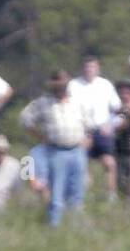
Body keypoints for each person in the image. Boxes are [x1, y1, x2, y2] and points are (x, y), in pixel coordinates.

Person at [19, 70, 92, 227]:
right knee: (56, 193)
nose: (60, 88)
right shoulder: (44, 103)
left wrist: (86, 141)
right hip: (56, 151)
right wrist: (40, 136)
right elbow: (25, 119)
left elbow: (89, 125)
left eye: (63, 85)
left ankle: (76, 226)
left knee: (77, 192)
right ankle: (54, 225)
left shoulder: (77, 103)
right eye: (57, 86)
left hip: (77, 150)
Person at [70, 55, 123, 200]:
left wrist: (111, 125)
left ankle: (111, 195)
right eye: (87, 67)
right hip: (82, 130)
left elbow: (118, 110)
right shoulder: (74, 85)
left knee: (109, 163)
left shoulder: (105, 85)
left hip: (102, 130)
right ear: (82, 69)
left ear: (98, 68)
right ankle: (84, 196)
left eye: (92, 67)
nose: (89, 70)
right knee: (82, 164)